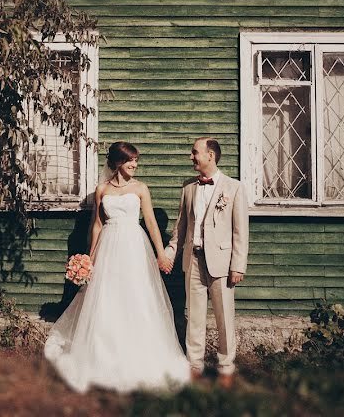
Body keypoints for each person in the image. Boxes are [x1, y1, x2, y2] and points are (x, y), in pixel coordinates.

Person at [43, 141, 190, 393]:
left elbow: (152, 224)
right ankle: (103, 354)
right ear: (117, 163)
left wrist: (161, 255)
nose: (135, 164)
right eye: (130, 160)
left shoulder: (141, 188)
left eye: (136, 160)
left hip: (134, 246)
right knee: (107, 298)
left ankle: (140, 355)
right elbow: (97, 225)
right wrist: (90, 257)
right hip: (109, 248)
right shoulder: (102, 190)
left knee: (136, 297)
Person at [162, 137, 249, 389]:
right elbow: (181, 227)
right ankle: (195, 366)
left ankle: (226, 368)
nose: (191, 157)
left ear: (210, 155)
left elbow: (240, 231)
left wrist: (238, 265)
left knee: (224, 318)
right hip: (194, 260)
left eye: (194, 152)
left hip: (222, 264)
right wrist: (170, 252)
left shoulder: (234, 188)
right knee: (195, 317)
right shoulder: (188, 187)